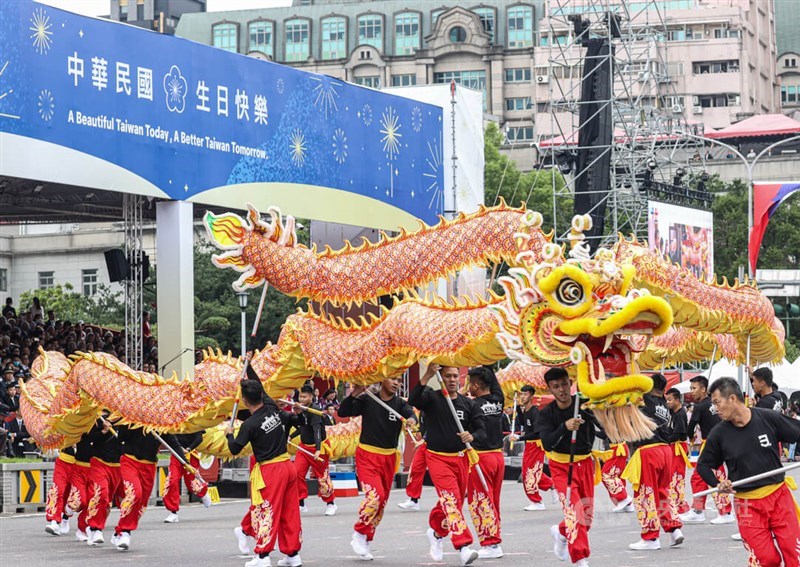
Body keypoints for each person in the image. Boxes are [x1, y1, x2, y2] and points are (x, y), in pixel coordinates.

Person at [698, 377, 800, 567]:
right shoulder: (718, 433)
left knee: (795, 554)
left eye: (717, 403)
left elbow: (797, 432)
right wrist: (717, 483)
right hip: (747, 504)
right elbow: (703, 466)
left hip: (778, 497)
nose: (715, 409)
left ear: (733, 398)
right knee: (767, 559)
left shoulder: (767, 418)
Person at [409, 364, 484, 566]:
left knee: (453, 502)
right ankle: (463, 546)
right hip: (437, 458)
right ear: (441, 378)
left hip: (461, 459)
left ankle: (436, 533)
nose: (452, 379)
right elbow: (413, 400)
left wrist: (472, 435)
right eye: (447, 376)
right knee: (450, 499)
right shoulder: (432, 398)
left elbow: (481, 430)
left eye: (454, 376)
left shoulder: (468, 404)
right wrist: (427, 375)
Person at [226, 378, 302, 567]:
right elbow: (258, 382)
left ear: (244, 401)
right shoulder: (270, 407)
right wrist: (249, 366)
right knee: (289, 511)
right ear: (262, 394)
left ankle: (263, 556)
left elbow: (235, 448)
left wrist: (229, 434)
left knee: (266, 511)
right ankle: (293, 555)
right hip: (287, 464)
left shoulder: (249, 424)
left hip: (271, 470)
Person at [338, 377, 416, 560]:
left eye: (399, 380)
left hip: (389, 458)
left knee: (381, 504)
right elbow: (343, 411)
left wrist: (411, 420)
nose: (397, 383)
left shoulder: (400, 405)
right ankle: (359, 531)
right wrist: (356, 391)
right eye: (393, 379)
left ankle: (366, 538)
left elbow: (410, 413)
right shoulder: (368, 399)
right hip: (367, 456)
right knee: (375, 496)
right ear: (382, 380)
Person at [535, 367, 601, 567]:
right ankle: (580, 557)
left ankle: (561, 532)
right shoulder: (546, 414)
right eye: (556, 387)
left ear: (570, 382)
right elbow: (547, 443)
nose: (562, 390)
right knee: (574, 511)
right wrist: (565, 427)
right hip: (562, 466)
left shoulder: (584, 405)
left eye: (564, 384)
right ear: (550, 389)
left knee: (586, 518)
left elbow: (602, 429)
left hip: (585, 463)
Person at [623, 373, 684, 550]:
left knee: (645, 493)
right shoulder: (664, 405)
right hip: (665, 450)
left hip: (649, 450)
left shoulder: (646, 400)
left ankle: (650, 537)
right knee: (662, 492)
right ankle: (674, 530)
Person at [108, 424, 187, 550]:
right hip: (130, 461)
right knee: (135, 494)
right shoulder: (131, 419)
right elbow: (121, 437)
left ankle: (119, 531)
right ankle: (125, 532)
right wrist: (131, 426)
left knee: (141, 505)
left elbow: (174, 445)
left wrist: (185, 463)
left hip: (149, 466)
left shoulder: (160, 425)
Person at [679, 375, 734, 524]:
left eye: (694, 388)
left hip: (710, 444)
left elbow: (691, 426)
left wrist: (689, 437)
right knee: (700, 478)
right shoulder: (715, 403)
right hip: (719, 442)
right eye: (690, 388)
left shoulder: (700, 406)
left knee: (712, 477)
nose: (691, 392)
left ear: (703, 389)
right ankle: (699, 510)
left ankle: (725, 511)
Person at [465, 366, 506, 559]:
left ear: (474, 385)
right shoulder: (499, 400)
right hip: (498, 457)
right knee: (493, 500)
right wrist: (487, 362)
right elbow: (495, 383)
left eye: (468, 383)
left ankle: (490, 543)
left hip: (480, 458)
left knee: (480, 500)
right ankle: (494, 538)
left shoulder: (472, 405)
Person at [286, 385, 337, 516]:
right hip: (304, 447)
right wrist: (291, 436)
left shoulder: (315, 410)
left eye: (305, 397)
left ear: (311, 397)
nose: (302, 399)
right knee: (296, 473)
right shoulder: (300, 409)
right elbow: (303, 427)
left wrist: (318, 449)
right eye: (301, 396)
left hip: (318, 447)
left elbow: (317, 430)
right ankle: (301, 502)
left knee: (322, 476)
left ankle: (331, 503)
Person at [512, 384, 554, 511]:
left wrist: (519, 438)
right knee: (535, 472)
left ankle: (537, 502)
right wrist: (518, 409)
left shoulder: (536, 412)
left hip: (536, 445)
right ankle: (553, 485)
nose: (522, 397)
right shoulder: (525, 410)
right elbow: (522, 424)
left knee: (528, 473)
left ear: (531, 396)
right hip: (529, 445)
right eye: (521, 394)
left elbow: (537, 433)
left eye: (525, 394)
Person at [85, 416, 123, 546]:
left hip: (117, 466)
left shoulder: (128, 419)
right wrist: (103, 432)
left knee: (107, 501)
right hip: (99, 463)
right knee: (101, 493)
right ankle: (96, 528)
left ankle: (92, 526)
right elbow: (87, 439)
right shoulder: (97, 418)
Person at [163, 430, 211, 523]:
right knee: (172, 481)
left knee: (191, 484)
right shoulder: (172, 418)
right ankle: (173, 512)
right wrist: (179, 448)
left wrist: (188, 449)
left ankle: (203, 492)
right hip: (176, 454)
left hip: (190, 454)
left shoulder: (194, 418)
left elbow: (199, 438)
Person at [665, 387, 691, 517]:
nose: (668, 402)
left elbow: (679, 433)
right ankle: (676, 504)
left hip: (677, 447)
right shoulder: (672, 413)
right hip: (672, 447)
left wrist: (665, 441)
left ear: (676, 400)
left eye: (670, 399)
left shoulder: (680, 414)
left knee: (677, 477)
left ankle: (680, 506)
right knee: (672, 477)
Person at [397, 411, 426, 511]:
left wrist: (423, 439)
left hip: (437, 446)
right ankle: (414, 500)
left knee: (441, 475)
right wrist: (413, 428)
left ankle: (460, 493)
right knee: (415, 469)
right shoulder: (423, 410)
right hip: (425, 445)